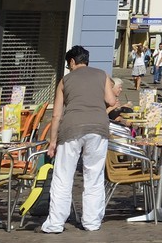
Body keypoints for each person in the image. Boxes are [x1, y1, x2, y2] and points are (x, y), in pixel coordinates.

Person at [41, 45, 117, 233]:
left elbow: (57, 115)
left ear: (72, 62)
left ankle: (55, 223)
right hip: (98, 127)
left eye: (69, 64)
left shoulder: (65, 80)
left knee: (63, 176)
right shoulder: (102, 75)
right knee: (94, 176)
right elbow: (111, 101)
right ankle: (91, 222)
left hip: (71, 127)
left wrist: (52, 142)